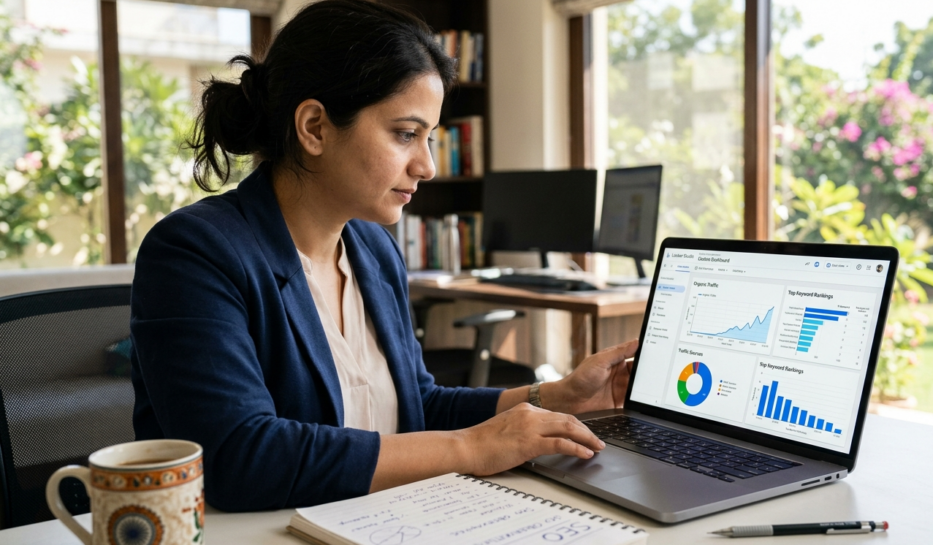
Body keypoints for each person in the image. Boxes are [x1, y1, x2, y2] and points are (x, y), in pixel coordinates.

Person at [130, 0, 638, 512]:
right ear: (314, 127)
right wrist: (470, 448)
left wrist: (555, 397)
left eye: (431, 138)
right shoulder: (196, 252)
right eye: (406, 134)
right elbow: (239, 459)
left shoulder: (372, 248)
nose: (429, 166)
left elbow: (419, 407)